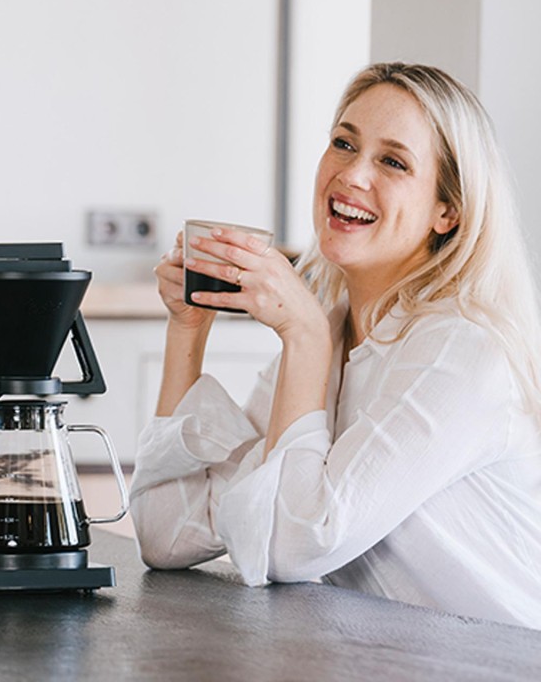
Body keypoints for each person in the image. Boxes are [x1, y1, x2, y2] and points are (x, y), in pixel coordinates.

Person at [129, 62, 541, 630]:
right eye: (344, 144)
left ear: (447, 212)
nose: (352, 175)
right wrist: (188, 328)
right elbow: (167, 535)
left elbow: (293, 546)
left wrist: (303, 334)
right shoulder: (332, 335)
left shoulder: (460, 352)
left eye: (393, 161)